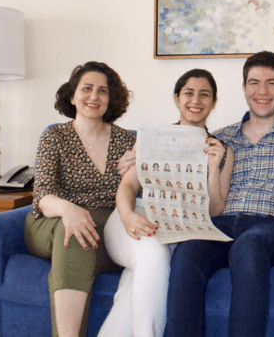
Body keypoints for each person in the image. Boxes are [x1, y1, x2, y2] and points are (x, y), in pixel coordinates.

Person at [166, 51, 274, 336]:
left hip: (272, 226)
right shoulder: (220, 137)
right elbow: (177, 176)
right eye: (254, 83)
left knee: (249, 245)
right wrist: (135, 160)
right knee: (189, 248)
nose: (262, 91)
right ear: (243, 89)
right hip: (223, 222)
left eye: (271, 83)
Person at [99, 69, 233, 337]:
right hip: (134, 216)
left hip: (175, 229)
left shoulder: (222, 150)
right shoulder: (153, 138)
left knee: (133, 289)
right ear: (176, 98)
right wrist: (127, 216)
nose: (196, 100)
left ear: (214, 102)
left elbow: (215, 209)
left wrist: (213, 168)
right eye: (188, 93)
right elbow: (127, 186)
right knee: (154, 253)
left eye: (204, 95)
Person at [23, 61, 135, 337]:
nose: (94, 97)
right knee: (73, 231)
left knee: (81, 234)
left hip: (105, 230)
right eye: (87, 89)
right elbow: (42, 196)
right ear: (72, 96)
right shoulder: (54, 137)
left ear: (111, 99)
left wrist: (144, 164)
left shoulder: (127, 141)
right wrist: (68, 210)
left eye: (103, 91)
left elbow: (136, 194)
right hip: (50, 221)